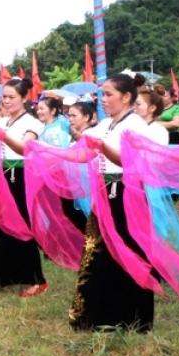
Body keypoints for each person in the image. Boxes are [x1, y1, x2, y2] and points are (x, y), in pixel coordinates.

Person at [69, 73, 157, 333]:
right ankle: (98, 312)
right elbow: (86, 150)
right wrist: (47, 153)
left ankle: (127, 316)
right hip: (107, 192)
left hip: (127, 194)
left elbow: (131, 162)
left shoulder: (135, 126)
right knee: (98, 250)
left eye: (108, 94)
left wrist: (102, 148)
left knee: (125, 252)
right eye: (102, 94)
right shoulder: (108, 124)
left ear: (126, 96)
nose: (102, 99)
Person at [0, 78, 46, 297]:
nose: (6, 101)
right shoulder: (3, 122)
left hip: (21, 177)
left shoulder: (31, 123)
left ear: (24, 98)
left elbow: (26, 148)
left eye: (11, 97)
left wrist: (4, 137)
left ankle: (37, 280)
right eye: (4, 97)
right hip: (2, 177)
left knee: (23, 228)